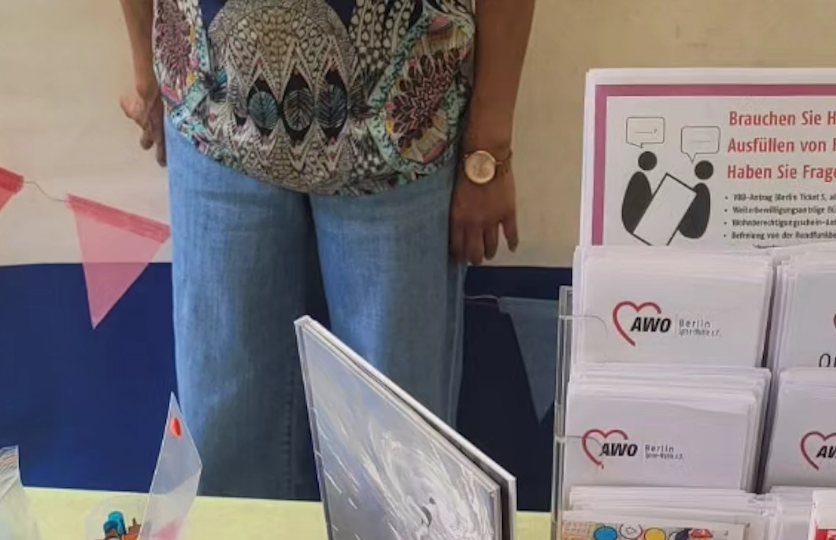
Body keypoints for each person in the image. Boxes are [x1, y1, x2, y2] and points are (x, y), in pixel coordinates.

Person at [118, 0, 536, 499]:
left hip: (400, 122)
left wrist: (489, 148)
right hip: (212, 107)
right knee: (223, 447)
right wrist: (146, 67)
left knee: (398, 464)